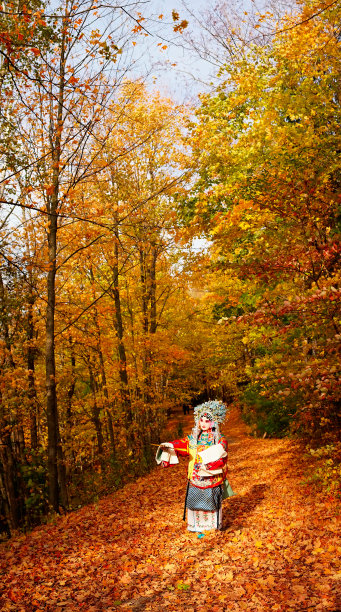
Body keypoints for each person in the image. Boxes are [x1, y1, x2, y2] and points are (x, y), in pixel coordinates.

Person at [156, 400, 234, 532]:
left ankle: (212, 527)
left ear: (214, 422)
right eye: (201, 420)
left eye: (206, 421)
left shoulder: (220, 439)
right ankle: (196, 527)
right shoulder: (192, 439)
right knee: (194, 500)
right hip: (195, 477)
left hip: (212, 477)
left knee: (211, 501)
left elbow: (222, 455)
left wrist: (210, 464)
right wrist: (169, 446)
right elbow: (180, 445)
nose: (203, 423)